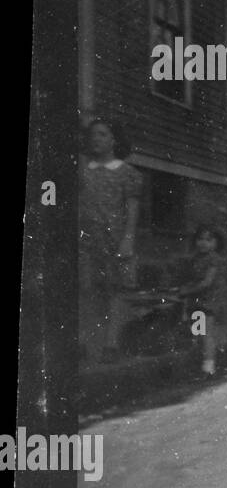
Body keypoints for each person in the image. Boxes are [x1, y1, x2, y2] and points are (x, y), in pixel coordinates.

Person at [79, 118, 143, 364]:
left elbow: (133, 209)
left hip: (115, 239)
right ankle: (84, 343)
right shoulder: (84, 171)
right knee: (87, 290)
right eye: (93, 134)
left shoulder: (127, 173)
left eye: (103, 134)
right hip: (88, 240)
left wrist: (127, 240)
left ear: (114, 140)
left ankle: (111, 344)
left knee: (114, 291)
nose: (97, 139)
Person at [175, 225, 227, 376]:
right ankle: (200, 363)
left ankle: (209, 367)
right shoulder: (196, 258)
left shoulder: (214, 259)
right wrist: (185, 286)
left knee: (206, 333)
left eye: (208, 239)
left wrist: (187, 290)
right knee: (198, 332)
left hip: (210, 300)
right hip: (197, 299)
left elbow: (207, 282)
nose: (203, 243)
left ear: (216, 243)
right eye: (200, 239)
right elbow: (191, 277)